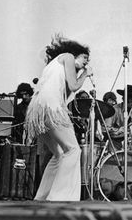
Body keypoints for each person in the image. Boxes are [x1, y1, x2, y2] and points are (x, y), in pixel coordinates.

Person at [24, 35, 92, 201]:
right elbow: (75, 85)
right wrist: (85, 74)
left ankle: (43, 196)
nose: (86, 62)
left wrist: (79, 73)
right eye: (84, 58)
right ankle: (59, 196)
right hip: (50, 107)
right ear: (75, 54)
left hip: (38, 109)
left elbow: (68, 91)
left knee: (59, 154)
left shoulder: (55, 64)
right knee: (73, 150)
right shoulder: (68, 56)